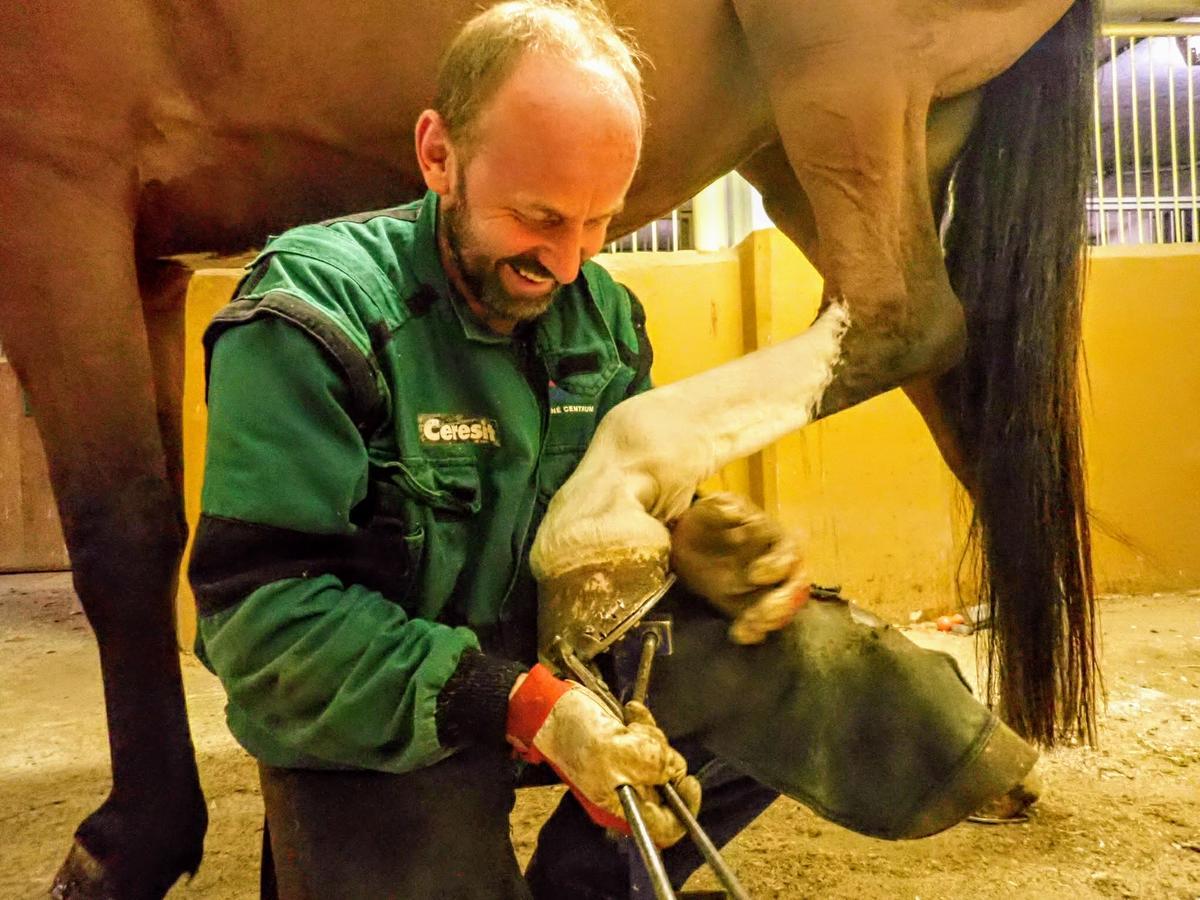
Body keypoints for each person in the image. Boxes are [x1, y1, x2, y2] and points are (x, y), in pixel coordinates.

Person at [190, 2, 1038, 897]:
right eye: (537, 218)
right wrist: (525, 708)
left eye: (598, 222)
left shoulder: (596, 313)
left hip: (560, 677)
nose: (567, 263)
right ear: (438, 154)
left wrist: (693, 533)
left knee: (798, 656)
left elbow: (604, 514)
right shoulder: (308, 320)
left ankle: (591, 883)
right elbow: (262, 627)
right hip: (380, 716)